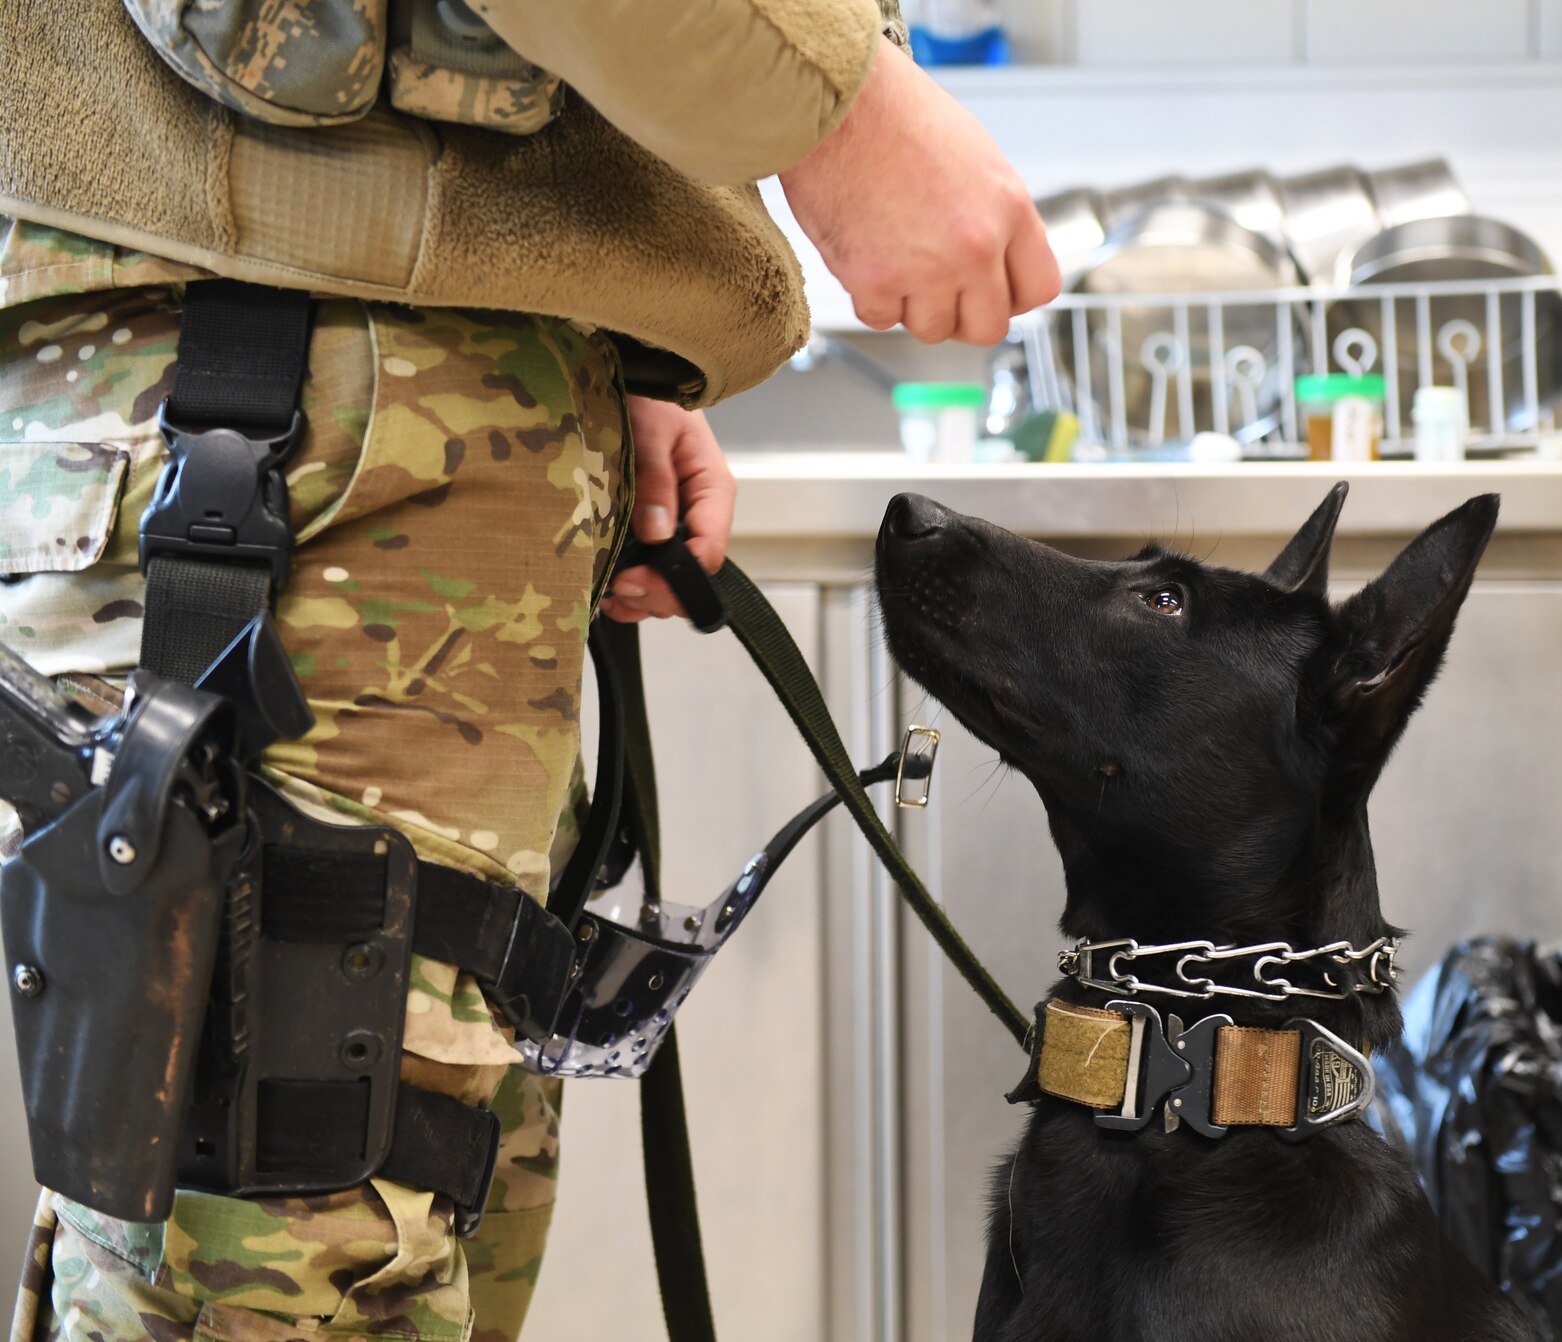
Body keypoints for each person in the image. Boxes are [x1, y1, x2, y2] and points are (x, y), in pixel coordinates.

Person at [0, 4, 1058, 1340]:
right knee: (278, 1265)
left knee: (388, 1248)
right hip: (286, 395)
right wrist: (838, 113)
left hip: (367, 367)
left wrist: (602, 337)